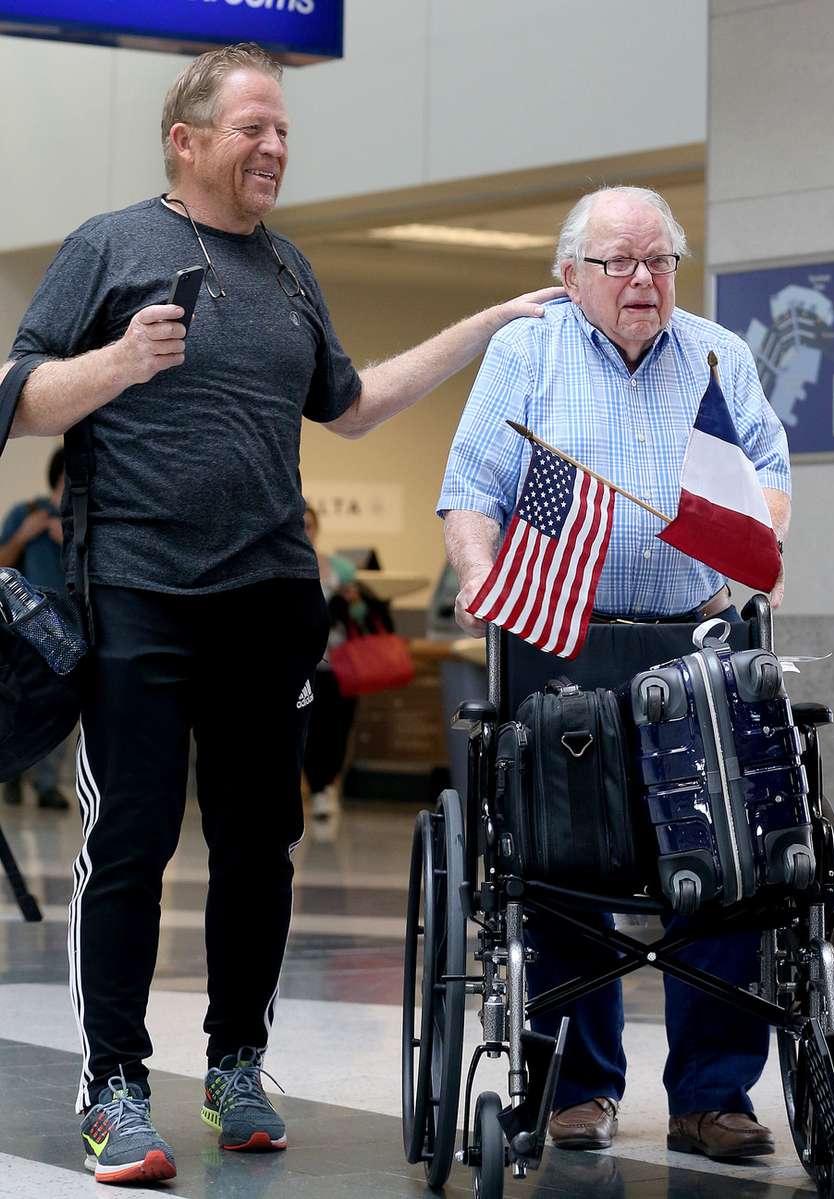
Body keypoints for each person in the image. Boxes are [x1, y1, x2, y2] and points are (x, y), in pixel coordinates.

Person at [4, 41, 560, 1186]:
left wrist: (487, 324)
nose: (275, 147)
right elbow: (13, 401)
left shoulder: (292, 271)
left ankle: (237, 1063)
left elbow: (352, 406)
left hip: (269, 598)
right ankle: (113, 1083)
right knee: (133, 843)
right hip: (142, 596)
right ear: (187, 139)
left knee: (263, 848)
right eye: (254, 128)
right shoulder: (109, 246)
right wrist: (115, 362)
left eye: (284, 132)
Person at [438, 186, 791, 1162]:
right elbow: (472, 486)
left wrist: (756, 532)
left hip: (692, 636)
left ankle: (713, 1093)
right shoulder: (528, 352)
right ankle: (577, 1084)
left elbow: (768, 463)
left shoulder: (721, 352)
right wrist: (478, 570)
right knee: (565, 855)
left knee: (722, 846)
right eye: (620, 263)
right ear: (571, 276)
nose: (643, 280)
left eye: (660, 261)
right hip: (565, 640)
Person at [301, 505, 389, 822]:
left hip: (341, 663)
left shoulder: (341, 567)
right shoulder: (286, 564)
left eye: (310, 524)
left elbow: (364, 619)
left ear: (318, 527)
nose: (305, 530)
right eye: (300, 524)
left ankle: (327, 784)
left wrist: (353, 602)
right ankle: (317, 787)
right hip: (302, 664)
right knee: (307, 727)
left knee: (337, 727)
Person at [0, 446, 71, 810]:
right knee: (17, 700)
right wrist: (26, 535)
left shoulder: (83, 523)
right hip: (22, 629)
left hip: (68, 632)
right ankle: (13, 775)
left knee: (59, 705)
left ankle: (47, 785)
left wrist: (71, 542)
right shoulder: (26, 513)